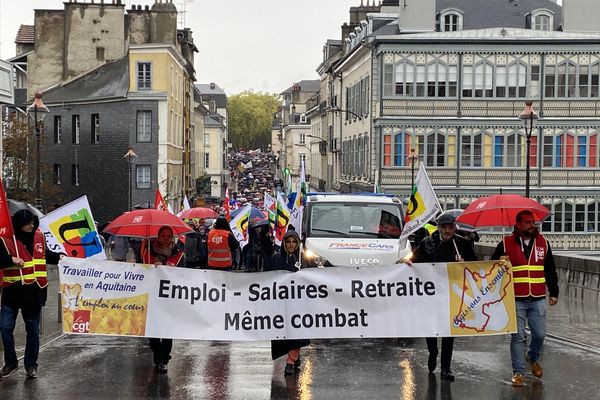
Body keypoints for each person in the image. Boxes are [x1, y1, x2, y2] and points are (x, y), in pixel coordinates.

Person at [491, 210, 559, 387]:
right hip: (516, 297)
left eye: (533, 222)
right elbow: (491, 266)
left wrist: (554, 292)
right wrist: (500, 260)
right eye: (528, 223)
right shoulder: (505, 244)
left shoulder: (543, 243)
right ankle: (518, 372)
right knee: (517, 336)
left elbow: (550, 269)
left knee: (539, 334)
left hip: (537, 297)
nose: (532, 226)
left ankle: (532, 357)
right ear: (518, 224)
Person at [410, 212, 477, 381]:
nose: (447, 230)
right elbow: (414, 261)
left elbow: (476, 266)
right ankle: (433, 352)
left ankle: (446, 368)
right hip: (431, 295)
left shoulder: (461, 244)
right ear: (439, 228)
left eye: (450, 227)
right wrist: (408, 263)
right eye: (444, 227)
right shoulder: (427, 243)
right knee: (430, 328)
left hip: (451, 295)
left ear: (455, 228)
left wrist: (465, 264)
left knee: (449, 331)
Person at [0, 210, 49, 379]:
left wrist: (61, 257)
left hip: (34, 293)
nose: (32, 225)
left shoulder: (39, 236)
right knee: (5, 328)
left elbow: (45, 255)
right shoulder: (6, 240)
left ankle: (31, 366)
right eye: (28, 223)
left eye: (33, 223)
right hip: (11, 293)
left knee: (33, 331)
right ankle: (11, 363)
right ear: (19, 224)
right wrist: (10, 260)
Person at [264, 230, 309, 375]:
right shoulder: (276, 259)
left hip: (298, 305)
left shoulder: (304, 260)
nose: (291, 245)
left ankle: (290, 361)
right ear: (284, 243)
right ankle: (294, 358)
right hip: (281, 304)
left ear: (298, 244)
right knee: (284, 333)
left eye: (294, 242)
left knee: (296, 333)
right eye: (288, 242)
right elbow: (266, 278)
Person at [140, 226, 183, 373]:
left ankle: (162, 360)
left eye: (168, 236)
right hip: (151, 297)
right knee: (153, 333)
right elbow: (140, 270)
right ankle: (158, 354)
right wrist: (152, 266)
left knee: (167, 330)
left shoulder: (178, 254)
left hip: (170, 298)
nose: (165, 239)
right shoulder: (148, 251)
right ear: (158, 237)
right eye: (163, 236)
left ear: (172, 238)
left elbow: (183, 275)